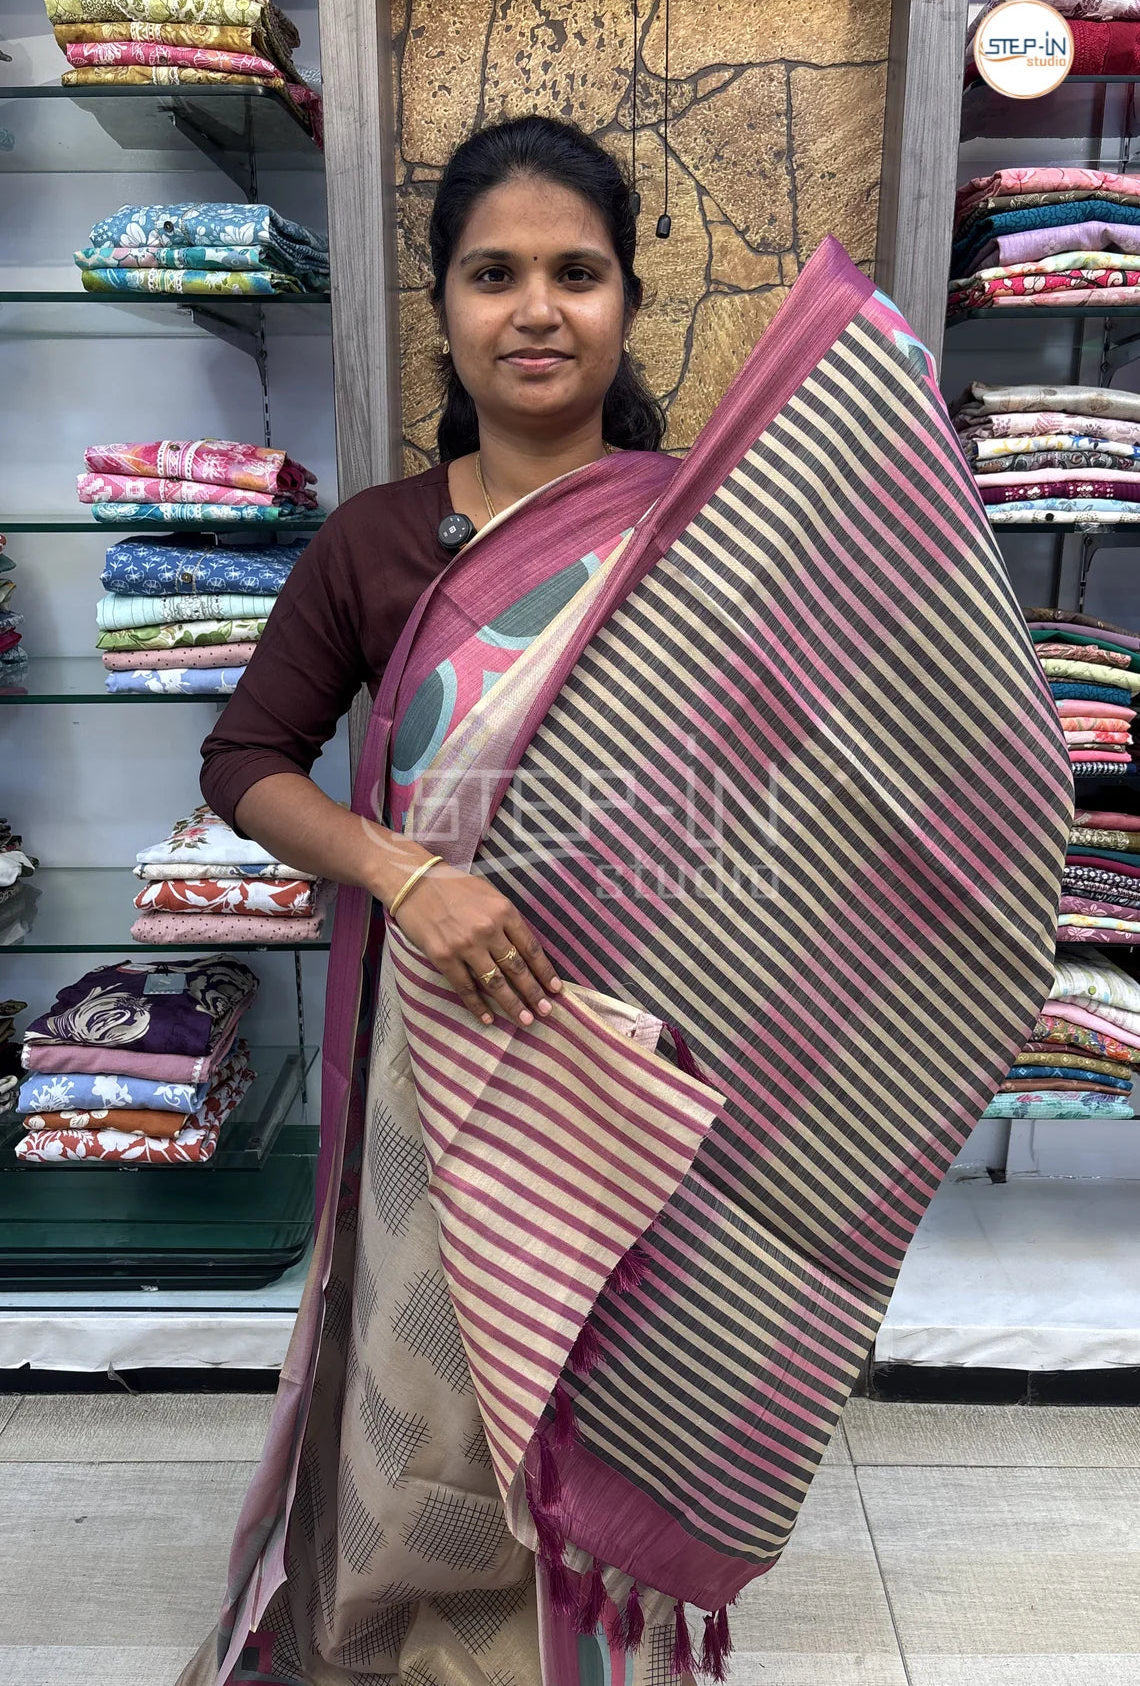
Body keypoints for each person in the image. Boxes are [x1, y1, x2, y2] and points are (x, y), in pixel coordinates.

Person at [179, 117, 1070, 1686]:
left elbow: (850, 774)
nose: (536, 308)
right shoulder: (378, 542)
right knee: (438, 1376)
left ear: (628, 300)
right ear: (443, 307)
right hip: (446, 1057)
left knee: (619, 1358)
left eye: (575, 272)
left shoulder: (714, 538)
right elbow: (248, 759)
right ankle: (404, 1638)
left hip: (656, 1059)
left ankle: (589, 1656)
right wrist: (411, 874)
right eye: (493, 274)